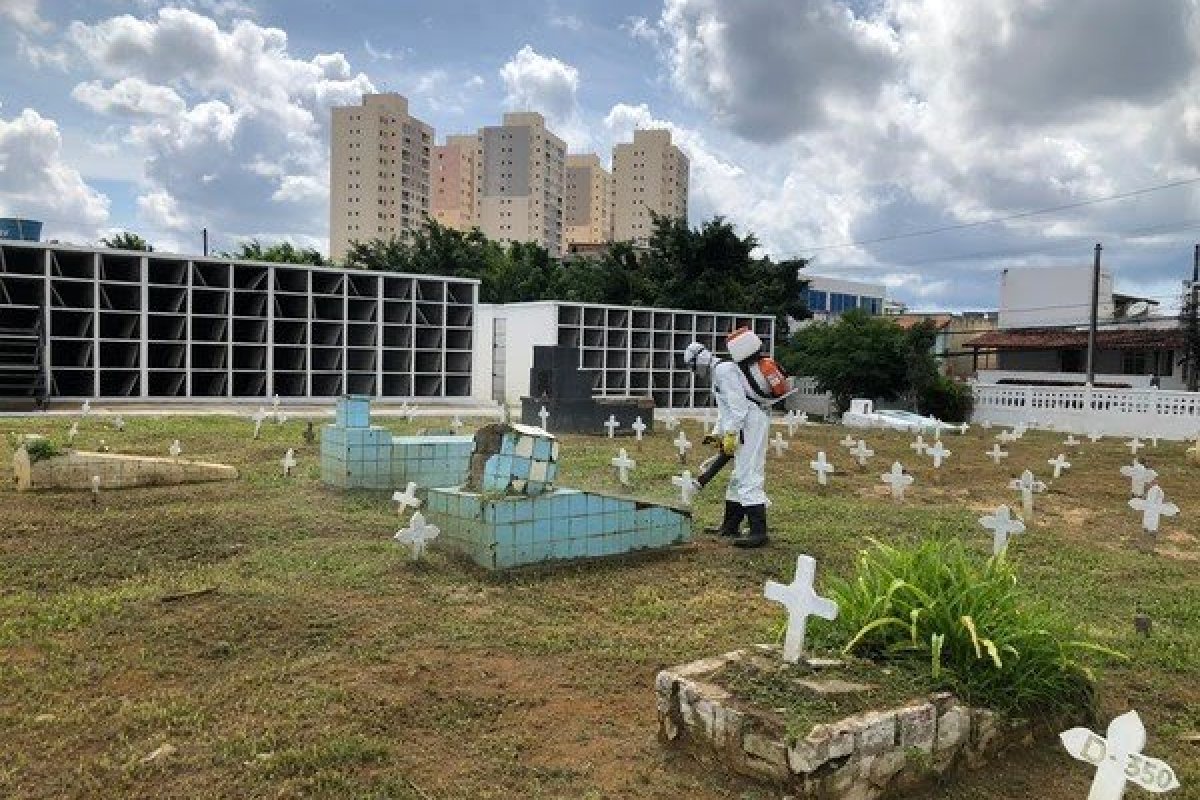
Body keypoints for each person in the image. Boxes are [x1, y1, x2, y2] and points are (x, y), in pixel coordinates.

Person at [682, 331, 773, 548]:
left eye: (694, 367)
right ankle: (730, 526)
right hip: (744, 425)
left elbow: (739, 408)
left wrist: (731, 434)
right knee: (737, 477)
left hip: (751, 425)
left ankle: (759, 532)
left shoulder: (723, 371)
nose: (695, 372)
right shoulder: (719, 373)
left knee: (748, 474)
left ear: (700, 361)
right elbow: (726, 411)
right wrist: (716, 436)